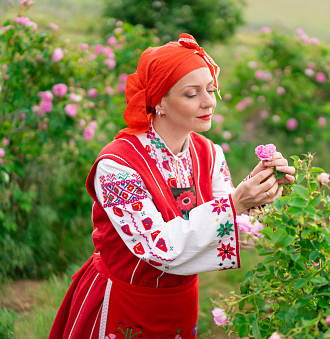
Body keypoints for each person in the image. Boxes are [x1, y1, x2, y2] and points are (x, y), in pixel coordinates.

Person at [49, 33, 295, 339]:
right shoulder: (117, 167)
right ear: (159, 102)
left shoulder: (208, 154)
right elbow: (157, 247)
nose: (208, 102)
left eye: (210, 89)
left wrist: (261, 191)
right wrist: (236, 202)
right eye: (191, 94)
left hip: (180, 303)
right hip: (125, 303)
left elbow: (235, 229)